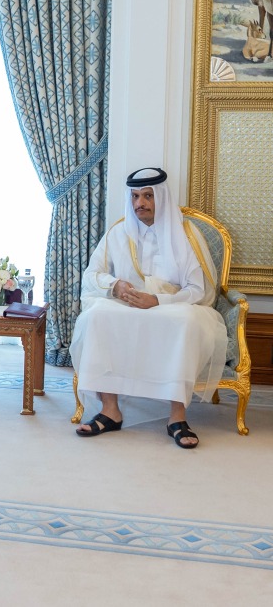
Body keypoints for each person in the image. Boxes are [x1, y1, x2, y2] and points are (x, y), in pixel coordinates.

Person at [71, 167, 227, 448]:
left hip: (172, 305)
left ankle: (177, 417)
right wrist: (115, 285)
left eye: (147, 196)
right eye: (135, 196)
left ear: (161, 197)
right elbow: (92, 274)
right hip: (127, 303)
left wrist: (157, 301)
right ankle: (110, 411)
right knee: (97, 316)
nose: (139, 203)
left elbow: (198, 290)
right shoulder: (119, 232)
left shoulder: (186, 234)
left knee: (187, 321)